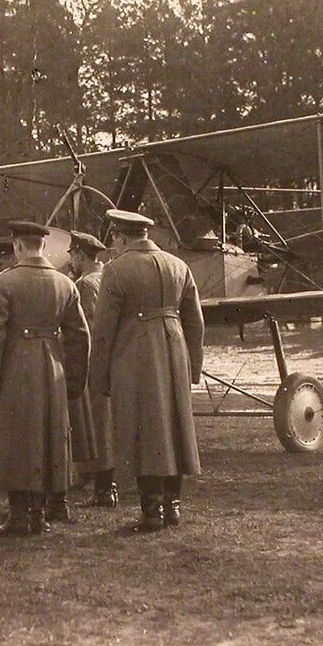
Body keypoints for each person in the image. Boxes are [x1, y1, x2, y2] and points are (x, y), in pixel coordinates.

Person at [89, 209, 205, 533]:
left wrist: (98, 377)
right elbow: (195, 321)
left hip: (137, 353)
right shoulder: (178, 266)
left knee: (145, 427)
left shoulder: (115, 270)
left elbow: (103, 329)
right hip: (175, 348)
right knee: (175, 424)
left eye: (113, 238)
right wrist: (193, 367)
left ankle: (152, 509)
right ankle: (173, 505)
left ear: (121, 236)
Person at [0, 220, 89, 536]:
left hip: (16, 367)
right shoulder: (65, 283)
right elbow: (80, 335)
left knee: (16, 436)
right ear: (42, 246)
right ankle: (39, 513)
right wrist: (75, 378)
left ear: (17, 246)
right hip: (52, 367)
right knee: (47, 436)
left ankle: (18, 514)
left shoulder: (6, 281)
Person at [68, 231, 118, 508]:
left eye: (73, 255)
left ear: (79, 254)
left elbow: (86, 329)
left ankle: (103, 488)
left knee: (94, 424)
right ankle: (96, 478)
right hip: (112, 359)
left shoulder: (85, 284)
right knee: (106, 423)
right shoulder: (107, 278)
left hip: (91, 362)